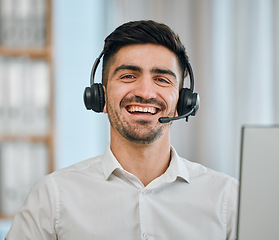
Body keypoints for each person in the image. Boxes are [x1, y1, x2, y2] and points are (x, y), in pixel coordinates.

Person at [6, 20, 238, 240]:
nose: (146, 92)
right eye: (128, 76)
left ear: (183, 102)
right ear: (101, 97)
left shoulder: (228, 198)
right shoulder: (52, 196)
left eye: (162, 80)